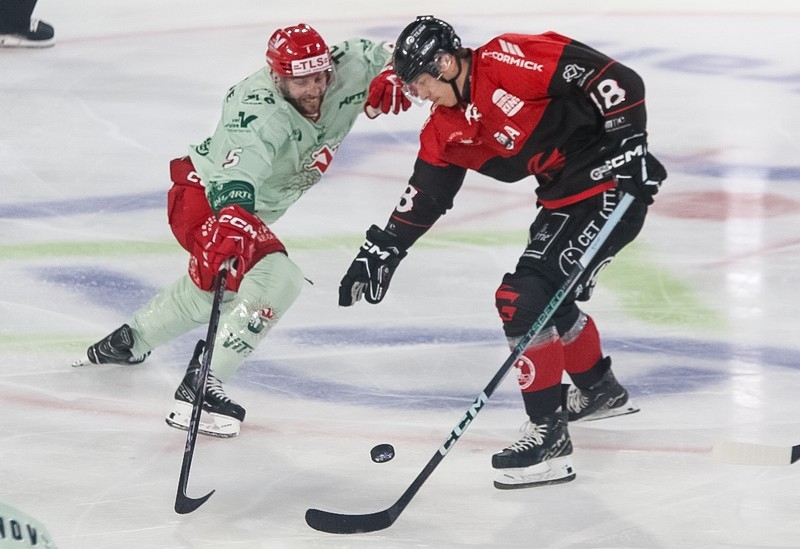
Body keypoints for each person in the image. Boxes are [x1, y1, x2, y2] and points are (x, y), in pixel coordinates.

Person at [338, 16, 667, 489]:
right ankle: (598, 390)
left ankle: (548, 437)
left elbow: (614, 79)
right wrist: (384, 247)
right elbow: (425, 195)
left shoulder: (507, 59)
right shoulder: (445, 129)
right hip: (561, 199)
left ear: (447, 63)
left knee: (523, 298)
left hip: (612, 189)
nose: (421, 95)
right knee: (548, 297)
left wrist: (631, 145)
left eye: (423, 83)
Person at [76, 23, 410, 438]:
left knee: (219, 286)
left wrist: (398, 71)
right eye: (300, 80)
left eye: (320, 76)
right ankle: (201, 385)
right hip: (209, 202)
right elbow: (240, 174)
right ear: (277, 77)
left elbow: (406, 46)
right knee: (276, 278)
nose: (315, 89)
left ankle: (130, 341)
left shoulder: (350, 63)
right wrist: (233, 220)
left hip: (245, 210)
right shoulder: (257, 109)